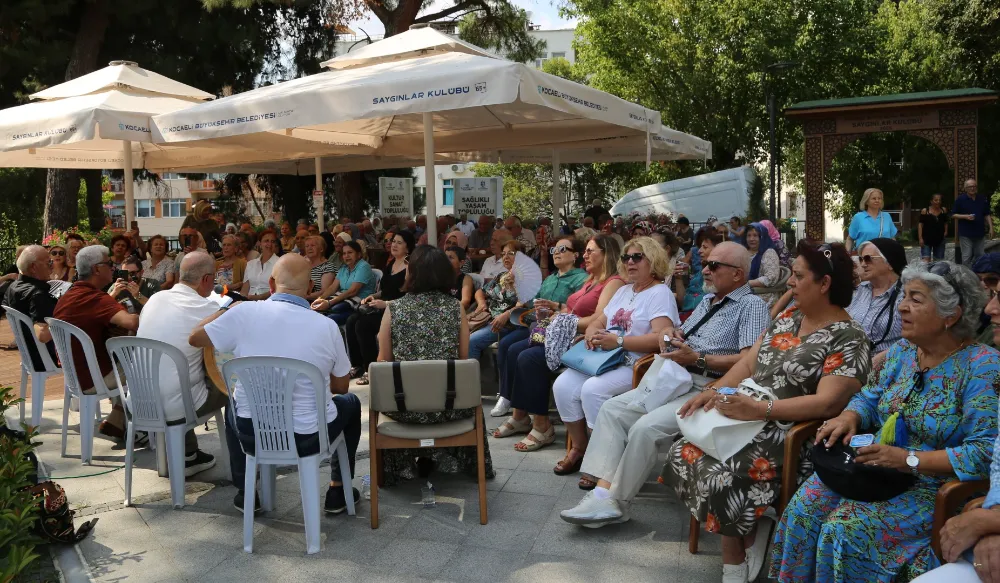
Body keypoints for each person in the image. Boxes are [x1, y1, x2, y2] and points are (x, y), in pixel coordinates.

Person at [771, 261, 998, 583]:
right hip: (873, 467)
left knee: (844, 531)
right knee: (804, 510)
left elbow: (985, 452)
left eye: (916, 299)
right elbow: (869, 397)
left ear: (951, 315)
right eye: (904, 296)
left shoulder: (983, 367)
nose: (902, 307)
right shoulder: (903, 352)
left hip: (930, 485)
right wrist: (850, 416)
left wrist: (909, 459)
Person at [664, 240, 871, 583]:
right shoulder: (789, 317)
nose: (789, 282)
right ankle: (751, 529)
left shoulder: (849, 337)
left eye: (798, 276)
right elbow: (749, 362)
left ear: (824, 283)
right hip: (748, 413)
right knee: (682, 447)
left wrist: (761, 409)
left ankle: (734, 557)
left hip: (791, 433)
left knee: (724, 475)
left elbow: (828, 404)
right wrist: (713, 391)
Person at [560, 242, 770, 525]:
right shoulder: (709, 300)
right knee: (611, 410)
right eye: (706, 264)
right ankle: (601, 494)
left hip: (710, 386)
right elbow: (682, 332)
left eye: (714, 265)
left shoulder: (752, 306)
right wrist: (670, 332)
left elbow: (749, 361)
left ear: (738, 274)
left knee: (645, 428)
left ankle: (617, 502)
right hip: (675, 376)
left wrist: (699, 358)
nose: (705, 270)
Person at [190, 253, 363, 514]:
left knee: (234, 405)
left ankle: (246, 491)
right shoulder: (327, 326)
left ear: (271, 283)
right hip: (308, 436)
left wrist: (226, 309)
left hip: (253, 433)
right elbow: (340, 388)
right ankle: (338, 489)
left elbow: (194, 337)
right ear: (309, 288)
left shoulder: (244, 312)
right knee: (350, 403)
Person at [552, 236, 680, 477]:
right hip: (604, 358)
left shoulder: (660, 293)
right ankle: (580, 448)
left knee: (592, 390)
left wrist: (619, 341)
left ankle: (602, 459)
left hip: (636, 363)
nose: (630, 262)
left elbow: (661, 338)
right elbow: (599, 320)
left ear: (653, 260)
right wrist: (591, 331)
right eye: (626, 257)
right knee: (562, 385)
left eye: (637, 257)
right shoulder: (623, 290)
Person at [493, 234, 627, 450]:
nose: (585, 255)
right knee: (514, 349)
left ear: (607, 254)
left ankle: (542, 425)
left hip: (583, 340)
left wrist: (562, 320)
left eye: (590, 251)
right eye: (585, 251)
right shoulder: (591, 280)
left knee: (529, 357)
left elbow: (598, 319)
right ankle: (520, 415)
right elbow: (571, 309)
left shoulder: (613, 282)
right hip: (564, 335)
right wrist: (556, 311)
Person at [374, 245, 493, 485]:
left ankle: (408, 462)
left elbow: (383, 362)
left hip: (403, 408)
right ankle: (452, 459)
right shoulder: (455, 308)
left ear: (412, 273)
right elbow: (463, 361)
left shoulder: (394, 309)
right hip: (449, 406)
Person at [136, 251, 224, 476]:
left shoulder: (155, 298)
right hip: (177, 407)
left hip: (138, 401)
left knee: (180, 373)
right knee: (232, 386)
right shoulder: (208, 308)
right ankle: (244, 466)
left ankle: (188, 453)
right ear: (206, 279)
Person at [489, 237, 588, 418]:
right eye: (554, 250)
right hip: (539, 327)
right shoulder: (550, 278)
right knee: (509, 346)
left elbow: (579, 308)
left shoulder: (581, 279)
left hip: (561, 331)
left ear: (575, 255)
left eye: (562, 249)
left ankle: (522, 413)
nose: (556, 252)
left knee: (518, 351)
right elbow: (531, 303)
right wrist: (515, 287)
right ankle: (508, 397)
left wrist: (554, 308)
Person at [53, 245, 140, 439]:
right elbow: (132, 322)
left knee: (125, 358)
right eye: (109, 263)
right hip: (94, 378)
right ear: (96, 269)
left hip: (75, 376)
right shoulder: (94, 298)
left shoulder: (69, 295)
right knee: (147, 364)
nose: (113, 267)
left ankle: (118, 418)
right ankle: (145, 427)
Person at [345, 230, 414, 386]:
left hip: (399, 310)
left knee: (363, 325)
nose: (394, 245)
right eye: (393, 241)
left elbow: (409, 296)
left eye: (399, 243)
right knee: (351, 320)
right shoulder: (391, 264)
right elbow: (386, 290)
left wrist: (386, 304)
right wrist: (373, 296)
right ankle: (357, 365)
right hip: (383, 306)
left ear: (408, 247)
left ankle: (371, 369)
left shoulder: (410, 267)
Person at [848, 238, 906, 359]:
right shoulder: (858, 290)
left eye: (868, 259)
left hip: (889, 363)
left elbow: (918, 338)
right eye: (861, 259)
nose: (863, 264)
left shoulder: (906, 295)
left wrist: (885, 355)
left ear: (889, 263)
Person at [2, 245, 58, 369]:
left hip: (28, 354)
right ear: (33, 267)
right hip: (45, 358)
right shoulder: (38, 294)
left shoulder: (12, 287)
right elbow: (42, 335)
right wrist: (67, 316)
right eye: (48, 262)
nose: (52, 265)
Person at [311, 241, 376, 325]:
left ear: (359, 254)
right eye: (344, 253)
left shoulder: (363, 266)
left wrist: (329, 303)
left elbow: (353, 291)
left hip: (360, 300)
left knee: (334, 309)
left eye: (350, 252)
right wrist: (320, 299)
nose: (346, 256)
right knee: (318, 309)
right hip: (344, 297)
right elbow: (332, 288)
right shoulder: (344, 268)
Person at [681, 227, 725, 312]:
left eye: (704, 247)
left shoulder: (721, 277)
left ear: (717, 249)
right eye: (700, 246)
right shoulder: (701, 272)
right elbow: (683, 301)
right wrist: (678, 279)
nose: (699, 251)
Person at [954, 179, 994, 266]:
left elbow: (987, 214)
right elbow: (953, 215)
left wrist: (991, 228)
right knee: (967, 256)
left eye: (974, 186)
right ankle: (966, 273)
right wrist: (965, 216)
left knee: (980, 255)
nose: (972, 188)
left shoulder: (982, 198)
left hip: (980, 232)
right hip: (965, 233)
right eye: (970, 187)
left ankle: (978, 272)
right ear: (965, 188)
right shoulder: (960, 199)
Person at [847, 187, 898, 251]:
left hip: (884, 254)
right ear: (866, 201)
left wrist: (896, 252)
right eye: (874, 198)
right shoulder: (858, 217)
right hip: (864, 255)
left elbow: (892, 238)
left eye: (879, 198)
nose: (877, 200)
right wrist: (847, 254)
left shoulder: (886, 216)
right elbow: (850, 239)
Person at [744, 222, 782, 307]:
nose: (751, 239)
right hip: (744, 292)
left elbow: (770, 278)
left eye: (755, 235)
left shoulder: (769, 253)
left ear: (762, 237)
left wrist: (747, 283)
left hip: (763, 295)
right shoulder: (743, 252)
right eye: (748, 236)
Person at [241, 229, 278, 301]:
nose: (270, 244)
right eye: (266, 241)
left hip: (270, 302)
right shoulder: (250, 264)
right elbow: (245, 289)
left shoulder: (280, 263)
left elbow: (278, 289)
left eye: (273, 241)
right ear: (260, 244)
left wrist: (259, 297)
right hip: (249, 302)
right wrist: (241, 300)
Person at [303, 236, 335, 301]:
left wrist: (303, 296)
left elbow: (324, 291)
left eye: (312, 245)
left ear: (321, 249)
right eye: (307, 246)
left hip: (317, 302)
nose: (309, 248)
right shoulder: (303, 265)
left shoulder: (328, 266)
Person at [919, 193, 949, 262]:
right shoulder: (925, 211)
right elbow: (920, 225)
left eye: (939, 200)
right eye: (936, 200)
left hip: (940, 239)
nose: (938, 202)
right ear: (931, 201)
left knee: (939, 261)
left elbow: (945, 222)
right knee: (926, 261)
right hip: (926, 239)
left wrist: (946, 231)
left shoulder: (943, 210)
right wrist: (920, 238)